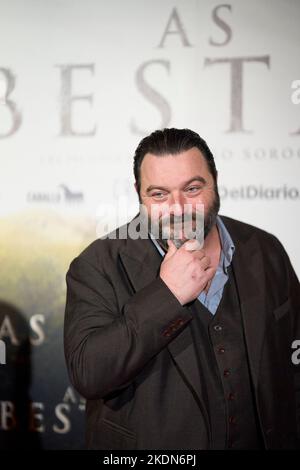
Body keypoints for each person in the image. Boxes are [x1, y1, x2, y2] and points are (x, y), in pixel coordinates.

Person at [64, 128, 300, 450]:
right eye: (159, 194)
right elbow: (89, 373)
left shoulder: (265, 249)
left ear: (215, 181)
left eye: (191, 188)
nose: (178, 208)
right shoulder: (98, 264)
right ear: (139, 194)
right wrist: (167, 294)